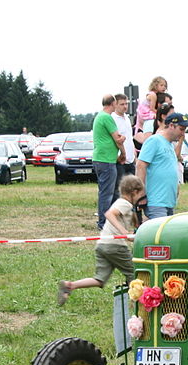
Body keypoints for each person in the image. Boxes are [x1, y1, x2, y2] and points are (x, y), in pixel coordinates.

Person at [58, 176, 144, 305]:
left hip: (102, 245)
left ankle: (70, 285)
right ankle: (140, 302)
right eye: (140, 195)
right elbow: (109, 214)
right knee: (134, 272)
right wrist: (124, 232)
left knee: (99, 279)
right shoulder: (124, 203)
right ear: (135, 192)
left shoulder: (124, 204)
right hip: (115, 246)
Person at [136, 111, 188, 219]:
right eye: (181, 129)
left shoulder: (170, 145)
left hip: (168, 201)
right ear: (171, 126)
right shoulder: (154, 140)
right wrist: (141, 193)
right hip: (156, 202)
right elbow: (140, 165)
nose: (183, 134)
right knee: (160, 234)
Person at [93, 94, 127, 230]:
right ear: (112, 104)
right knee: (107, 193)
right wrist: (123, 153)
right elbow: (117, 139)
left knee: (106, 192)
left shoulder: (99, 116)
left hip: (101, 159)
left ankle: (107, 220)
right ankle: (104, 223)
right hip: (106, 160)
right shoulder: (107, 118)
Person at [112, 93, 136, 182]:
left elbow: (129, 137)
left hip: (130, 159)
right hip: (119, 160)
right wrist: (118, 156)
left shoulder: (127, 118)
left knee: (133, 188)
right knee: (119, 188)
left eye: (126, 104)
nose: (125, 106)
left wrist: (133, 152)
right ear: (115, 104)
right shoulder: (112, 119)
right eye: (122, 104)